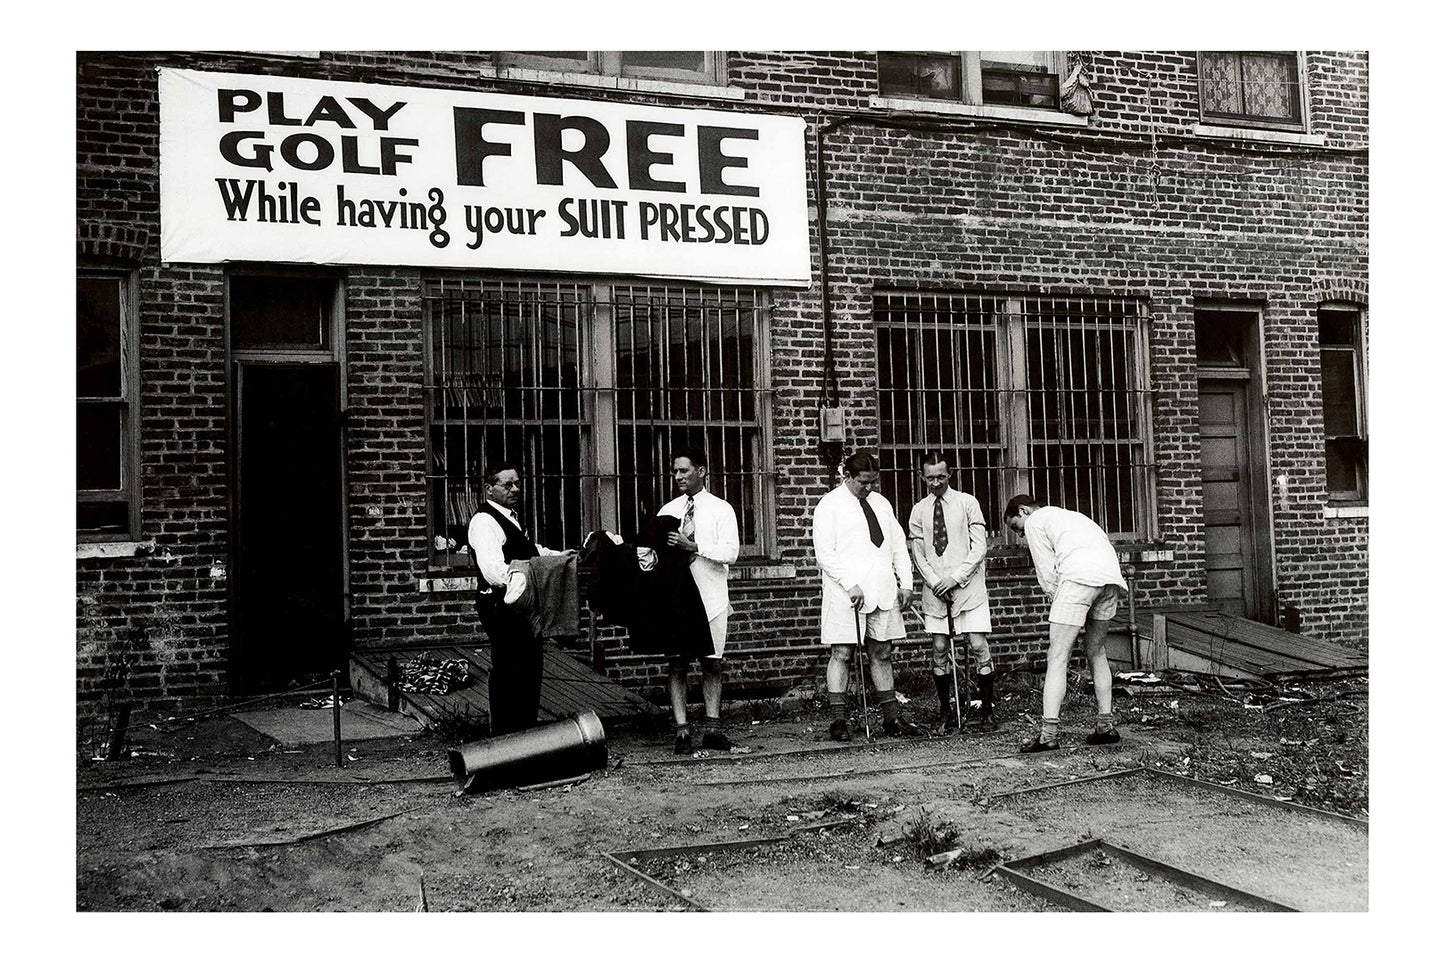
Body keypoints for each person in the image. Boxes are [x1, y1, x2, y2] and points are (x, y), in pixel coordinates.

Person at [1004, 494, 1127, 752]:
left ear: (1024, 511)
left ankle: (1048, 735)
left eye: (1016, 527)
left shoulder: (1036, 521)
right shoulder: (1073, 516)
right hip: (1110, 578)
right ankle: (1105, 726)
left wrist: (1055, 599)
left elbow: (1047, 572)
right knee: (1097, 651)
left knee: (1057, 656)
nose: (1021, 535)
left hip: (1079, 578)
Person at [812, 450, 917, 741]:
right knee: (842, 654)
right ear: (847, 476)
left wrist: (906, 583)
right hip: (846, 593)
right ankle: (839, 721)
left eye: (873, 481)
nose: (868, 487)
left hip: (881, 589)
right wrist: (849, 583)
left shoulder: (881, 504)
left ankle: (891, 719)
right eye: (863, 482)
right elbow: (824, 554)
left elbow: (897, 545)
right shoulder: (829, 506)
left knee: (882, 653)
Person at [468, 463, 570, 736]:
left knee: (529, 666)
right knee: (510, 667)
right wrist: (522, 578)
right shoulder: (485, 521)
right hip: (501, 604)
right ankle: (506, 734)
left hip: (521, 604)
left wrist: (559, 556)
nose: (515, 489)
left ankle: (525, 733)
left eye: (517, 483)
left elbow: (529, 550)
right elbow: (492, 569)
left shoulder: (510, 517)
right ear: (489, 488)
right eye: (507, 484)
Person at [656, 448, 741, 754]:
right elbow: (657, 555)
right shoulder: (668, 510)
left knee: (712, 663)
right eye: (675, 471)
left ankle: (713, 729)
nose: (678, 477)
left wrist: (694, 545)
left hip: (712, 596)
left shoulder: (721, 509)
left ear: (702, 471)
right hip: (678, 598)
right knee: (677, 663)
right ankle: (681, 731)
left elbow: (731, 552)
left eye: (684, 471)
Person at [907, 452, 995, 733]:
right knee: (939, 648)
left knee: (979, 645)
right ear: (923, 477)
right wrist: (935, 583)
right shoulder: (919, 510)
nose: (935, 482)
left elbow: (979, 547)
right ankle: (945, 710)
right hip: (936, 590)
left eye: (941, 477)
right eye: (930, 477)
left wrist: (956, 578)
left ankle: (987, 711)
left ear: (951, 474)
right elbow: (918, 554)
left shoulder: (968, 503)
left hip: (968, 588)